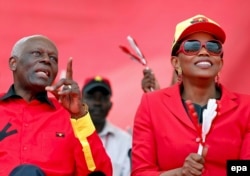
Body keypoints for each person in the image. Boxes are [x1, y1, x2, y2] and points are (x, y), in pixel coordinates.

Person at [132, 14, 250, 176]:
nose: (203, 52)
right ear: (176, 62)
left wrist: (222, 170)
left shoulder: (246, 107)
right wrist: (179, 173)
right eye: (192, 46)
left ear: (220, 63)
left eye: (213, 47)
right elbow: (141, 172)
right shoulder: (151, 105)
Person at [0, 35, 112, 176]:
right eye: (37, 53)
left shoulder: (70, 117)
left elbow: (100, 172)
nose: (47, 60)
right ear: (13, 63)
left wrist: (80, 116)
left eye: (53, 59)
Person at [82, 76, 132, 176]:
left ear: (110, 104)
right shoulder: (69, 136)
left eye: (103, 98)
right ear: (81, 102)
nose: (97, 103)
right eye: (92, 97)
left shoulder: (125, 141)